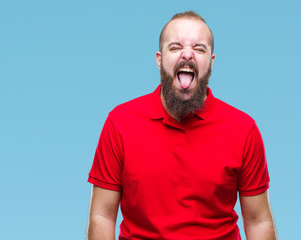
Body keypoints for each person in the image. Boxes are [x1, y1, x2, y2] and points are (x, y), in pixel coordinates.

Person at [86, 11, 278, 240]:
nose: (187, 54)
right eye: (175, 47)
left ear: (211, 61)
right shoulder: (120, 123)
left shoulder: (243, 129)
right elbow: (102, 215)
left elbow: (258, 221)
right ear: (159, 59)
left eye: (199, 49)